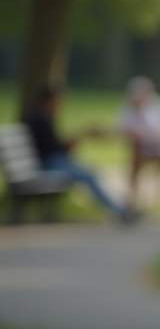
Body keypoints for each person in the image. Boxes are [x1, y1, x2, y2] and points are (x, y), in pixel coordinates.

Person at [22, 85, 139, 224]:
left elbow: (54, 146)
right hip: (48, 164)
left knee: (91, 172)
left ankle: (121, 210)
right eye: (58, 100)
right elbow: (53, 147)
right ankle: (120, 211)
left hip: (54, 161)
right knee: (89, 175)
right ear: (49, 100)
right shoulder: (39, 120)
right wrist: (79, 136)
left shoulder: (45, 118)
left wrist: (76, 140)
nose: (60, 104)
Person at [116, 76, 160, 209]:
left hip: (157, 144)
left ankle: (159, 192)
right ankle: (134, 195)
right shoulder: (126, 109)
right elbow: (122, 130)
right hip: (138, 145)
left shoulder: (158, 105)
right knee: (136, 160)